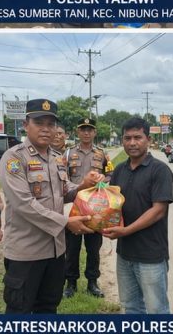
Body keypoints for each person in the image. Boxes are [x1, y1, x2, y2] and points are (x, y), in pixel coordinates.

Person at [0, 99, 101, 314]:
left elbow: (63, 192)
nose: (46, 129)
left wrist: (83, 185)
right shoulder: (14, 158)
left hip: (55, 252)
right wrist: (66, 222)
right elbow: (24, 204)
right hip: (26, 253)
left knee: (48, 308)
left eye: (51, 124)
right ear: (26, 125)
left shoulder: (56, 158)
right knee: (20, 312)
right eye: (39, 122)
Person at [102, 117, 173, 314]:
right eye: (127, 138)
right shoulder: (119, 170)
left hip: (151, 255)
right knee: (131, 307)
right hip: (124, 254)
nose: (132, 143)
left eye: (137, 137)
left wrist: (125, 231)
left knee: (157, 310)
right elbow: (112, 205)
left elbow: (158, 210)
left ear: (148, 139)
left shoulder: (160, 170)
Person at [64, 117, 112, 298]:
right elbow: (62, 178)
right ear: (78, 132)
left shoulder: (102, 154)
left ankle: (93, 282)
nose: (86, 132)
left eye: (89, 129)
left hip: (95, 208)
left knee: (93, 247)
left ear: (94, 133)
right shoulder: (68, 154)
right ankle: (71, 283)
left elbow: (111, 173)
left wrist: (104, 180)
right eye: (83, 129)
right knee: (72, 247)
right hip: (74, 206)